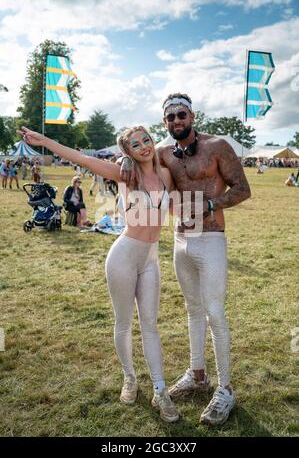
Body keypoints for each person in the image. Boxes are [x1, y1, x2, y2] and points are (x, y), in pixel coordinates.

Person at [18, 125, 179, 423]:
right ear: (127, 151)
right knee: (124, 322)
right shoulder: (125, 173)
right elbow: (81, 158)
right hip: (123, 257)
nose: (143, 146)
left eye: (146, 140)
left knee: (151, 326)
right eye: (135, 144)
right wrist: (46, 141)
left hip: (151, 260)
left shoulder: (167, 174)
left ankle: (160, 391)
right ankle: (129, 378)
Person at [120, 92, 251, 426]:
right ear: (164, 122)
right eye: (170, 117)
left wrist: (209, 205)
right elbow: (140, 158)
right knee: (192, 311)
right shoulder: (163, 152)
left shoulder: (218, 146)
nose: (176, 121)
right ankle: (197, 373)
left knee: (215, 313)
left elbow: (242, 189)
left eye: (181, 115)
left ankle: (225, 387)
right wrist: (126, 159)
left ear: (192, 115)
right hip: (181, 240)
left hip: (211, 238)